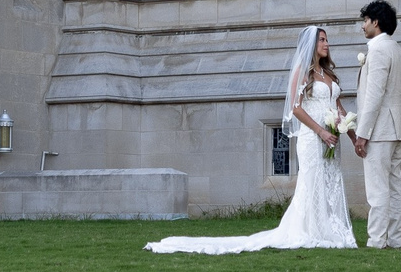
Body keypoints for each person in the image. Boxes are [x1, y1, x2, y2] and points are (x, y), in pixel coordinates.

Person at [144, 24, 356, 253]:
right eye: (322, 40)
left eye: (326, 39)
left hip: (331, 139)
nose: (327, 44)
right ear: (311, 45)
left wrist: (351, 134)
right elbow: (295, 108)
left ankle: (333, 230)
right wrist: (320, 131)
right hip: (313, 137)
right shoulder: (302, 72)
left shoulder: (330, 75)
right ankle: (312, 231)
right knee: (312, 183)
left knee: (330, 182)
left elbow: (339, 107)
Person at [350, 0, 401, 248]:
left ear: (376, 22)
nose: (363, 26)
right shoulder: (396, 49)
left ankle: (376, 239)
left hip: (381, 130)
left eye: (365, 21)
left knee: (378, 189)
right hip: (395, 128)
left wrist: (362, 134)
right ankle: (395, 239)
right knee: (394, 186)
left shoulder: (380, 50)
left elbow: (374, 95)